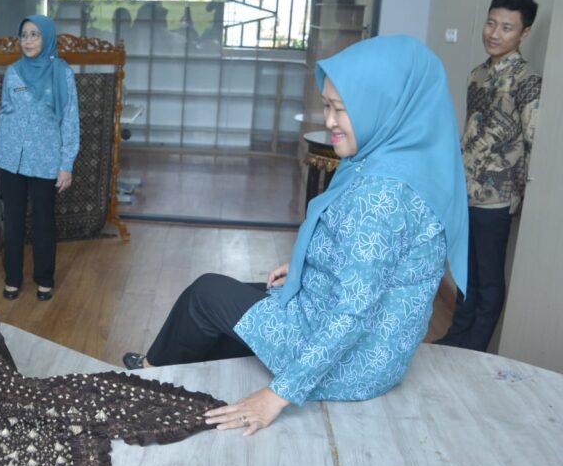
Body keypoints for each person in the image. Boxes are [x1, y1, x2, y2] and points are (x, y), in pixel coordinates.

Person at [122, 36, 468, 436]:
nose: (330, 121)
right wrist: (310, 264)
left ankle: (148, 378)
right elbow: (380, 261)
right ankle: (168, 377)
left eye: (342, 109)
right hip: (378, 350)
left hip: (353, 362)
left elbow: (354, 312)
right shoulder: (403, 163)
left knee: (205, 295)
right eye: (327, 106)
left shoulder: (382, 195)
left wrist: (276, 396)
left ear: (386, 106)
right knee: (232, 311)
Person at [436, 0, 541, 352]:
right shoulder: (476, 75)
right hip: (466, 189)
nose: (495, 33)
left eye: (507, 28)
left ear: (524, 33)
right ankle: (458, 335)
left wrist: (521, 197)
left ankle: (475, 347)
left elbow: (533, 141)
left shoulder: (528, 80)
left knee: (490, 276)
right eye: (491, 23)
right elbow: (470, 134)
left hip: (497, 196)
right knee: (465, 270)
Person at [0, 14, 78, 302]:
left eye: (34, 35)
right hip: (11, 159)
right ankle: (12, 279)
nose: (28, 41)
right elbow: (4, 113)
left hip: (45, 159)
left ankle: (44, 279)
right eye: (24, 35)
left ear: (47, 37)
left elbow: (70, 120)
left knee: (43, 223)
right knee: (13, 222)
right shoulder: (13, 72)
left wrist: (66, 164)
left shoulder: (62, 73)